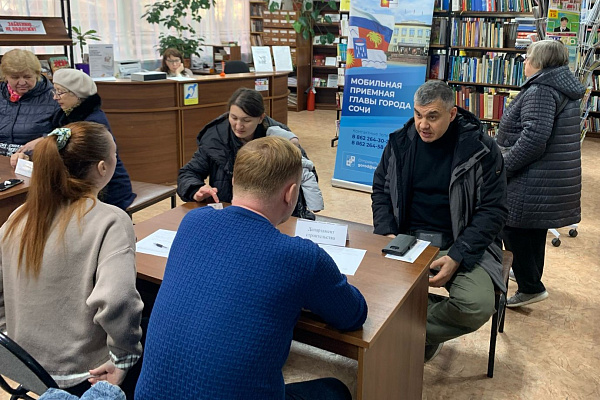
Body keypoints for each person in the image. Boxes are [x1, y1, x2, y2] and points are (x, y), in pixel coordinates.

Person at [135, 136, 367, 400]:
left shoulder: (193, 221)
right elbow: (353, 314)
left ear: (234, 181)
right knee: (334, 390)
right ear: (291, 193)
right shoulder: (302, 257)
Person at [0, 122, 143, 398]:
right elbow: (119, 299)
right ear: (103, 168)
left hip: (23, 364)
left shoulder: (18, 216)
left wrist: (8, 335)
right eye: (115, 154)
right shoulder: (111, 220)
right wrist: (123, 358)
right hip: (84, 373)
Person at [371, 80, 507, 361]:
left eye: (432, 116)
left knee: (476, 305)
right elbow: (381, 191)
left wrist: (458, 256)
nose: (423, 125)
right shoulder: (400, 143)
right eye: (418, 115)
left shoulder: (481, 150)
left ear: (452, 113)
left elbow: (493, 210)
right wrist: (387, 233)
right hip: (407, 240)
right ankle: (418, 332)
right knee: (365, 286)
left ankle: (407, 333)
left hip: (461, 243)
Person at [496, 40, 584, 307]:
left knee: (512, 227)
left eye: (528, 57)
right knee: (533, 228)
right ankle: (529, 274)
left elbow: (533, 139)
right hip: (548, 174)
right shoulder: (559, 85)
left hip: (533, 175)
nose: (525, 62)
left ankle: (531, 286)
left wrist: (503, 166)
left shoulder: (541, 90)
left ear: (540, 62)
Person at [177, 87, 318, 218]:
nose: (238, 126)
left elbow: (306, 172)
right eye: (233, 118)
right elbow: (188, 173)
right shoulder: (216, 137)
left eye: (246, 120)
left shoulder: (280, 137)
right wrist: (196, 190)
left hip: (271, 217)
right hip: (229, 213)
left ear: (261, 118)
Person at [11, 68, 136, 210]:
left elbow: (70, 159)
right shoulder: (63, 115)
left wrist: (40, 151)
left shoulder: (93, 122)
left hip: (106, 189)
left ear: (77, 94)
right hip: (81, 184)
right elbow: (54, 146)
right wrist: (28, 156)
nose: (55, 97)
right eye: (54, 91)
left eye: (60, 92)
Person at [0, 48, 60, 156]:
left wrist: (45, 140)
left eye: (27, 77)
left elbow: (68, 132)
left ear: (37, 74)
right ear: (5, 76)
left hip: (35, 157)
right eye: (15, 77)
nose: (22, 82)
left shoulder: (55, 97)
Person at [267, 125, 324, 212]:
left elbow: (310, 185)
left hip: (289, 205)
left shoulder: (300, 166)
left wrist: (315, 206)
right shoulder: (265, 160)